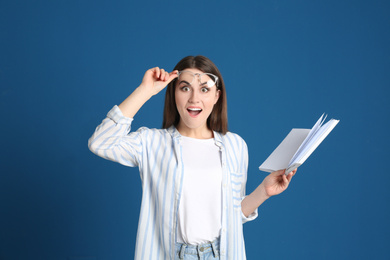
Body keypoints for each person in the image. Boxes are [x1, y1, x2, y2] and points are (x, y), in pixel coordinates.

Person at [88, 55, 296, 260]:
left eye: (204, 89)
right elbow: (100, 142)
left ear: (216, 96)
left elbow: (232, 216)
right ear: (173, 93)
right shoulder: (151, 142)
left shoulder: (235, 145)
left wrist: (264, 192)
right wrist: (145, 91)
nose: (194, 98)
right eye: (185, 88)